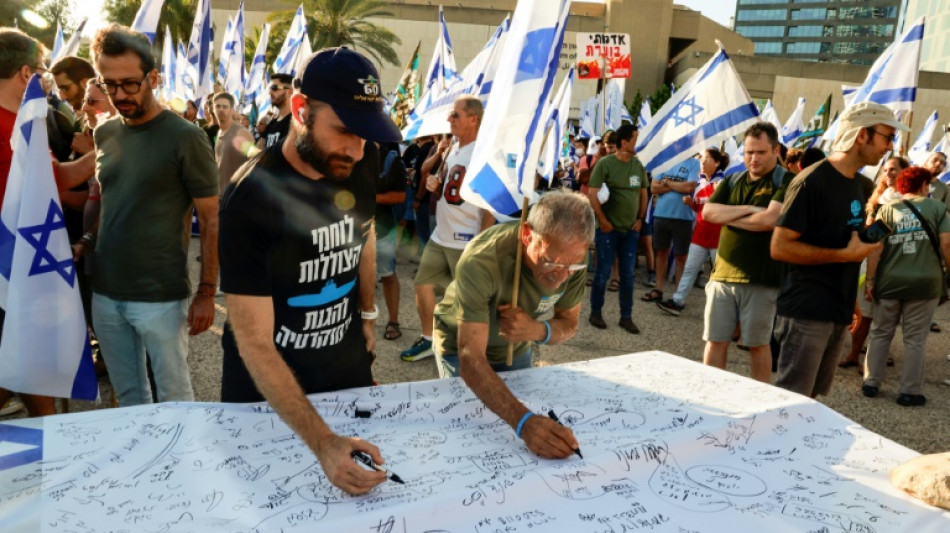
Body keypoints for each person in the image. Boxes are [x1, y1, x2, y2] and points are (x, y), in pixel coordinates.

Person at [219, 47, 402, 496]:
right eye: (344, 131)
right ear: (300, 110)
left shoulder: (362, 158)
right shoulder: (250, 198)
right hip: (267, 394)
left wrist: (367, 315)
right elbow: (254, 342)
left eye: (365, 134)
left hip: (345, 370)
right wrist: (322, 442)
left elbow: (363, 236)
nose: (357, 149)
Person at [76, 24, 219, 406]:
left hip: (160, 296)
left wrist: (206, 292)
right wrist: (87, 240)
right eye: (110, 85)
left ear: (153, 78)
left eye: (129, 83)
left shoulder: (186, 137)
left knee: (174, 397)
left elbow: (210, 219)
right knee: (128, 397)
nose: (120, 94)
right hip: (105, 291)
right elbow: (114, 200)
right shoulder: (105, 133)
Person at [433, 190, 593, 458]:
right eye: (552, 263)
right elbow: (470, 358)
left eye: (572, 266)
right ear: (528, 235)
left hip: (515, 348)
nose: (562, 277)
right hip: (458, 345)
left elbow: (569, 324)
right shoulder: (481, 260)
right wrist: (523, 422)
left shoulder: (572, 255)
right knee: (468, 440)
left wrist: (537, 330)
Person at [771, 102, 905, 398]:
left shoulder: (862, 185)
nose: (890, 146)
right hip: (807, 310)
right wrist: (845, 255)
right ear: (862, 135)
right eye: (887, 137)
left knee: (812, 401)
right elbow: (779, 247)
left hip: (838, 308)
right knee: (789, 401)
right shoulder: (811, 181)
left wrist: (852, 300)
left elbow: (844, 242)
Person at [0, 28, 97, 417]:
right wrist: (107, 149)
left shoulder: (27, 120)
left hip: (21, 261)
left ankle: (51, 431)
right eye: (42, 70)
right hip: (11, 264)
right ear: (26, 74)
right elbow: (56, 181)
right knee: (19, 354)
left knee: (27, 355)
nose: (46, 80)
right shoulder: (16, 125)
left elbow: (52, 180)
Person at [401, 95, 494, 362]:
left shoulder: (482, 152)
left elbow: (488, 205)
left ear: (473, 119)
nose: (449, 118)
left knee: (467, 301)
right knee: (422, 284)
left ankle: (469, 352)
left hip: (465, 240)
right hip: (441, 235)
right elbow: (446, 184)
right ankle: (429, 339)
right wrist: (435, 184)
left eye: (455, 114)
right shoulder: (453, 145)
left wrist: (480, 243)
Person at [701, 122, 793, 384]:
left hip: (761, 278)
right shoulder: (733, 180)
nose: (753, 158)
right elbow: (708, 213)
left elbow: (769, 220)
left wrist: (729, 216)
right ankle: (710, 395)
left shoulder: (785, 180)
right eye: (749, 152)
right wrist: (750, 210)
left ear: (776, 150)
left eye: (761, 152)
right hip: (722, 275)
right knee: (715, 341)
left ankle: (759, 399)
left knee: (757, 345)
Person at [862, 166, 950, 407]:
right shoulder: (938, 208)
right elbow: (947, 243)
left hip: (889, 281)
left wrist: (870, 280)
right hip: (925, 283)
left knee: (880, 332)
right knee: (915, 339)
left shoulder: (887, 210)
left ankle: (871, 383)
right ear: (923, 185)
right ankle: (909, 392)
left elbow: (874, 248)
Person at [839, 156, 909, 369]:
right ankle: (853, 354)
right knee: (865, 313)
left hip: (894, 261)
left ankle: (878, 358)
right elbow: (868, 231)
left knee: (885, 315)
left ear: (905, 172)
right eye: (886, 170)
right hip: (869, 259)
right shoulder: (877, 197)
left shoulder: (909, 200)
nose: (888, 174)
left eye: (893, 169)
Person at [586, 124, 647, 333]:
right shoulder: (605, 164)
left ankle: (626, 317)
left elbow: (643, 193)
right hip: (608, 230)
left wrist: (640, 219)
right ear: (625, 142)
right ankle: (595, 312)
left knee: (627, 276)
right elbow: (592, 193)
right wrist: (602, 221)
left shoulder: (638, 165)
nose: (637, 143)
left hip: (630, 231)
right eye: (635, 139)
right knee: (602, 272)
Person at [658, 147, 729, 315]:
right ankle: (677, 302)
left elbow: (723, 210)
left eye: (707, 159)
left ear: (717, 163)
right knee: (690, 269)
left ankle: (724, 310)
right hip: (700, 234)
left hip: (718, 236)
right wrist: (691, 204)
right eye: (701, 158)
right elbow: (700, 209)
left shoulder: (724, 183)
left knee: (719, 275)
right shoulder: (700, 182)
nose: (702, 162)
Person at [643, 156, 700, 304]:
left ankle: (678, 296)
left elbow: (689, 188)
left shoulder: (694, 163)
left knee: (681, 256)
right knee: (661, 253)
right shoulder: (664, 160)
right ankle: (658, 289)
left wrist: (666, 182)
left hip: (683, 217)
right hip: (661, 214)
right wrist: (678, 186)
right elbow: (654, 188)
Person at [376, 143, 408, 341]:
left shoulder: (391, 159)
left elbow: (400, 195)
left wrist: (367, 198)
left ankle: (393, 321)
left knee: (387, 274)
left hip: (382, 229)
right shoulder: (349, 152)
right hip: (352, 229)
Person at [212, 91, 255, 195]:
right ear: (213, 109)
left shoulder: (240, 133)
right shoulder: (219, 132)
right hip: (221, 195)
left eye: (225, 107)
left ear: (232, 110)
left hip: (237, 195)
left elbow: (255, 162)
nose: (221, 109)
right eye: (218, 106)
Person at [258, 73, 293, 149]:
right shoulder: (271, 124)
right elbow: (257, 150)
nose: (270, 92)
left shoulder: (295, 124)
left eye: (274, 88)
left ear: (289, 91)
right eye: (270, 89)